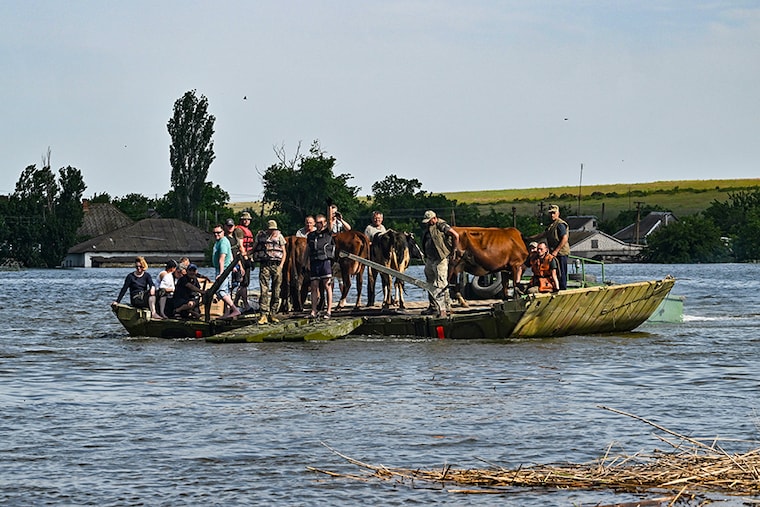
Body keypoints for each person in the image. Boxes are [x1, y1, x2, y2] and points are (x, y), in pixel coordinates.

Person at [420, 210, 459, 317]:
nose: (428, 223)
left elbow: (455, 235)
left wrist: (454, 251)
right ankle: (433, 306)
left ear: (434, 218)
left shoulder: (442, 225)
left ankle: (445, 308)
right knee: (429, 282)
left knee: (441, 283)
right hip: (430, 258)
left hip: (440, 259)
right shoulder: (428, 228)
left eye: (429, 221)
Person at [252, 219, 287, 324]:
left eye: (273, 229)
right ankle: (263, 314)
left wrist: (281, 266)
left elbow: (284, 252)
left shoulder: (280, 237)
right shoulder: (260, 236)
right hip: (265, 265)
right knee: (264, 290)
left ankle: (273, 313)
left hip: (276, 266)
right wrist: (247, 254)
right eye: (270, 229)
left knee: (276, 291)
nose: (272, 231)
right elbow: (254, 248)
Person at [307, 214, 335, 319]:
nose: (320, 224)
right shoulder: (311, 235)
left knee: (327, 285)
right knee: (314, 286)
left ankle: (328, 311)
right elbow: (308, 249)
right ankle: (313, 310)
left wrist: (329, 208)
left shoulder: (328, 233)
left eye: (322, 222)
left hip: (325, 261)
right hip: (314, 262)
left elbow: (330, 221)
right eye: (318, 222)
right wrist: (306, 261)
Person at [212, 224, 242, 319]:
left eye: (219, 232)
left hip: (223, 270)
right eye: (214, 233)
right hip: (225, 269)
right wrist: (232, 265)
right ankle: (227, 313)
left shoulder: (223, 242)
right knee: (227, 292)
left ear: (223, 232)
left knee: (221, 292)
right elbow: (230, 255)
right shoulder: (220, 241)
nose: (216, 234)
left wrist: (221, 274)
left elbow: (222, 258)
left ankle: (235, 309)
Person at [543, 204, 570, 290]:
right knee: (554, 272)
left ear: (558, 213)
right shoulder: (551, 225)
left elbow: (565, 238)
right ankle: (555, 287)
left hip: (561, 253)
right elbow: (543, 234)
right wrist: (530, 238)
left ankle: (563, 290)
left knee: (561, 272)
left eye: (554, 213)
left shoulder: (560, 224)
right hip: (553, 253)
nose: (552, 215)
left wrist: (556, 251)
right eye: (550, 213)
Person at [233, 211, 255, 311]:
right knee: (243, 282)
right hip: (241, 258)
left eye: (248, 219)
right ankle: (245, 305)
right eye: (244, 219)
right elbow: (241, 245)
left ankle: (235, 303)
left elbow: (250, 247)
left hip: (247, 256)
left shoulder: (248, 230)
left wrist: (252, 259)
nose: (246, 221)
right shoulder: (239, 230)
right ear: (241, 220)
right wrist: (246, 259)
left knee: (244, 283)